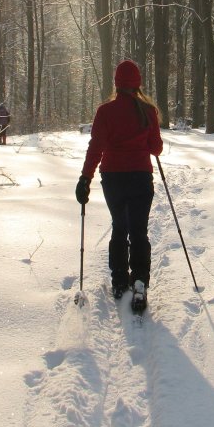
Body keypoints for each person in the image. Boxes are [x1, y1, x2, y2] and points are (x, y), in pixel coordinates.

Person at [76, 59, 163, 312]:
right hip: (140, 177)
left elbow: (96, 148)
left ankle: (118, 281)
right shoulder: (148, 111)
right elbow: (156, 148)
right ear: (138, 83)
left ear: (116, 83)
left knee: (119, 226)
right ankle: (139, 282)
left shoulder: (105, 111)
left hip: (113, 177)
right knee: (138, 230)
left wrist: (85, 178)